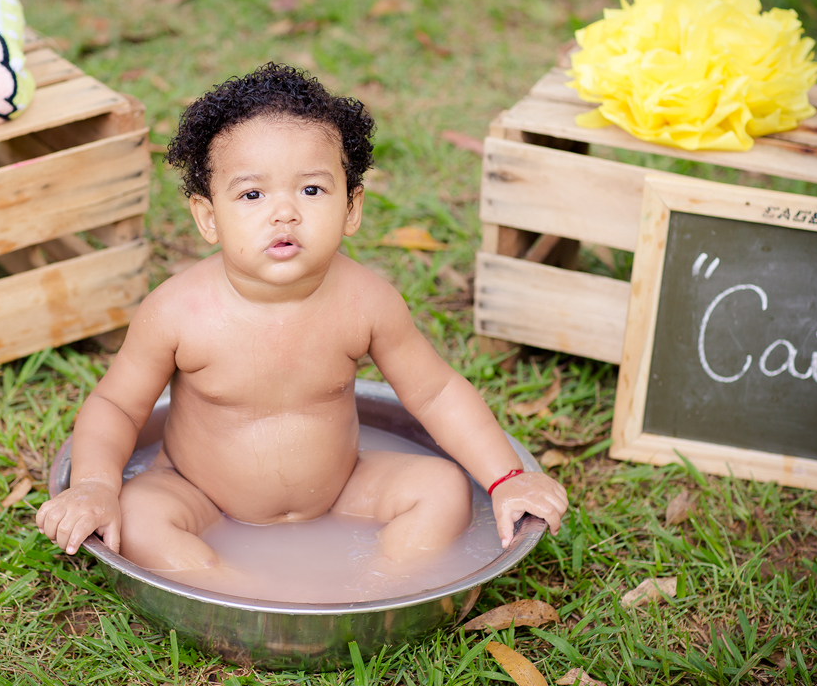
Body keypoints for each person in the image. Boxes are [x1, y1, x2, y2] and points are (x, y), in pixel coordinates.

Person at [36, 63, 568, 590]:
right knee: (142, 515)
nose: (284, 212)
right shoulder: (177, 312)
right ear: (207, 217)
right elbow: (117, 406)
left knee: (444, 487)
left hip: (343, 489)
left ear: (351, 207)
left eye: (312, 190)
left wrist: (506, 476)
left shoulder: (368, 302)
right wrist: (94, 485)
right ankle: (236, 589)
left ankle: (384, 583)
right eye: (252, 195)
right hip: (197, 495)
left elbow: (436, 393)